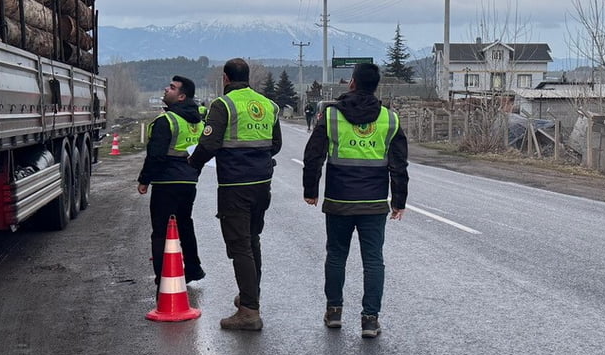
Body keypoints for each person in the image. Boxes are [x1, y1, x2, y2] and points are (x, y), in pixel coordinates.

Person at [303, 63, 408, 338]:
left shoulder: (331, 116)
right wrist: (399, 201)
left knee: (336, 255)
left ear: (352, 83)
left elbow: (314, 154)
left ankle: (334, 312)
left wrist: (310, 189)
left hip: (338, 199)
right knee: (373, 260)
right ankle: (370, 320)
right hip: (373, 203)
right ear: (376, 86)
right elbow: (399, 165)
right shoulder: (390, 119)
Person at [190, 58, 282, 331]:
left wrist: (192, 163)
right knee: (252, 241)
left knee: (239, 245)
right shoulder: (268, 104)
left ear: (225, 78)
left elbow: (208, 144)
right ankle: (250, 295)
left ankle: (249, 312)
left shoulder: (223, 105)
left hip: (235, 186)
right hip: (262, 183)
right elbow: (275, 144)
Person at [137, 76, 205, 285]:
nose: (166, 89)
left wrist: (144, 180)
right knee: (185, 224)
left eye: (172, 88)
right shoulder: (198, 122)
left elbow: (155, 155)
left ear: (181, 96)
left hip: (166, 183)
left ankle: (162, 276)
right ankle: (193, 268)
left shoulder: (166, 121)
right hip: (189, 182)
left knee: (160, 231)